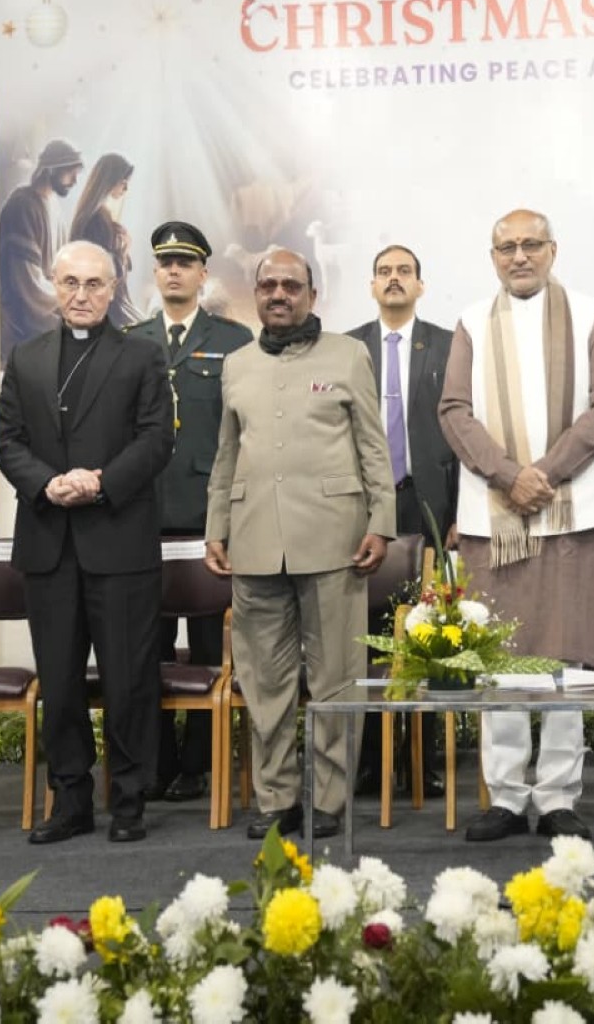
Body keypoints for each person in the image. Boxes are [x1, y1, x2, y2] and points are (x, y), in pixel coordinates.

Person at [439, 209, 594, 842]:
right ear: (492, 256)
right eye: (507, 247)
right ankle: (507, 795)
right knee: (503, 659)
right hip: (494, 519)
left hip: (573, 514)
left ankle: (558, 796)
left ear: (553, 249)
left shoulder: (590, 312)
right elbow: (454, 409)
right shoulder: (469, 321)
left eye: (531, 245)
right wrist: (504, 475)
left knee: (568, 653)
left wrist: (540, 473)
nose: (519, 256)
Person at [205, 249, 394, 841]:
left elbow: (373, 445)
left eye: (291, 284)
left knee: (336, 676)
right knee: (264, 683)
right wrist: (216, 526)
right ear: (256, 294)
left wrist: (381, 520)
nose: (279, 293)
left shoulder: (349, 354)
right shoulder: (236, 364)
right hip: (255, 538)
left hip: (335, 538)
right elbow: (227, 453)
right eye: (268, 285)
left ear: (312, 294)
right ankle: (277, 800)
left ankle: (330, 799)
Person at [0, 240, 174, 845]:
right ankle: (70, 801)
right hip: (50, 545)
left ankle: (127, 800)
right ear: (52, 283)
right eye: (69, 282)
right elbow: (7, 441)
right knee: (62, 682)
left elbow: (156, 442)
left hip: (118, 541)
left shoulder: (142, 356)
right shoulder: (25, 358)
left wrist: (99, 482)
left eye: (94, 284)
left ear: (114, 284)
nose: (81, 295)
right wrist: (48, 483)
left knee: (127, 679)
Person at [125, 222, 253, 804]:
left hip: (208, 516)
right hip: (141, 514)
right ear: (154, 273)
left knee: (209, 647)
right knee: (144, 643)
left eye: (186, 262)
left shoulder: (232, 341)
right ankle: (154, 762)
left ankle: (199, 764)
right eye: (165, 262)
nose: (174, 271)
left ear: (204, 275)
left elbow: (246, 431)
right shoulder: (130, 339)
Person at [346, 243, 458, 797]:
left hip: (428, 505)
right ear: (371, 286)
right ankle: (369, 760)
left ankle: (424, 761)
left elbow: (464, 431)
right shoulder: (346, 348)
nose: (393, 279)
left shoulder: (448, 344)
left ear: (420, 284)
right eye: (384, 272)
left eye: (404, 272)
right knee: (366, 634)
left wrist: (459, 512)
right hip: (364, 508)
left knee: (430, 633)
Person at [0, 138, 83, 362]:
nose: (75, 181)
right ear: (51, 170)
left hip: (47, 308)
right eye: (70, 173)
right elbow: (27, 282)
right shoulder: (22, 205)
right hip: (22, 322)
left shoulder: (53, 206)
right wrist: (66, 301)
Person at [68, 153, 140, 329]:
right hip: (103, 300)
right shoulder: (96, 219)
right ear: (110, 180)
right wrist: (122, 251)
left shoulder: (97, 216)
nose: (125, 189)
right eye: (123, 183)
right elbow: (103, 265)